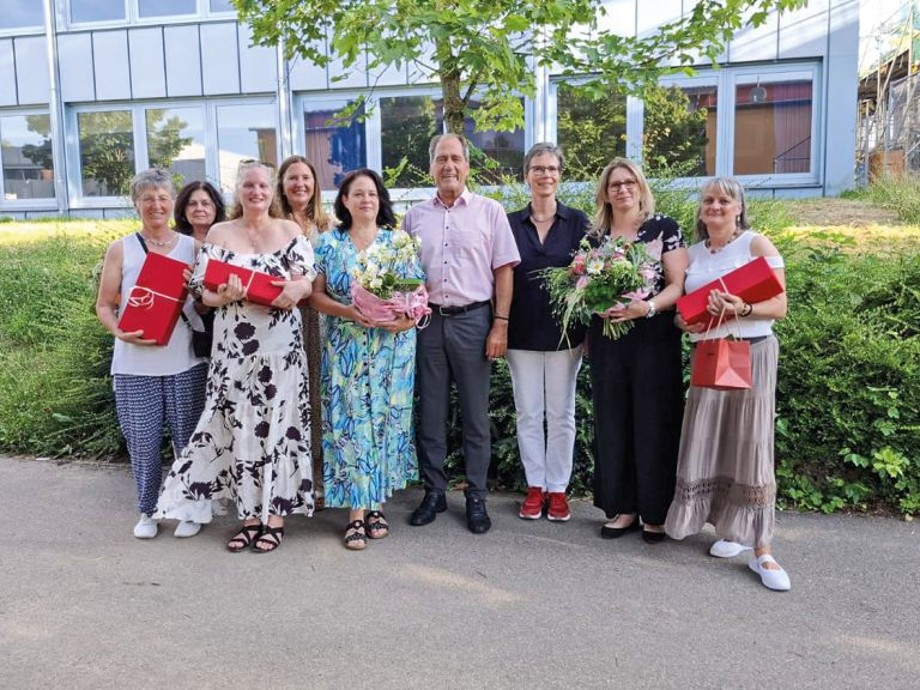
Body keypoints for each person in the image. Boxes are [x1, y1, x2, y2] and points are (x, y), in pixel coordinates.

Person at [154, 161, 316, 553]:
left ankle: (274, 518)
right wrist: (219, 296)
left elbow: (307, 280)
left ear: (271, 191)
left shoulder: (290, 230)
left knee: (279, 430)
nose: (256, 192)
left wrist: (297, 290)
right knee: (239, 429)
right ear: (238, 191)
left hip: (281, 352)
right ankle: (248, 518)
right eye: (248, 185)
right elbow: (204, 294)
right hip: (233, 353)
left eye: (262, 185)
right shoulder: (220, 232)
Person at [665, 177, 791, 591]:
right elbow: (684, 311)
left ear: (739, 206)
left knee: (751, 441)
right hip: (710, 352)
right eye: (708, 200)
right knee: (710, 438)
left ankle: (763, 549)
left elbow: (781, 305)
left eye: (723, 200)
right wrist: (685, 319)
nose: (714, 206)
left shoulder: (756, 244)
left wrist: (743, 306)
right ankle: (730, 530)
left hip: (751, 349)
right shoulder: (693, 254)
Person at [402, 133, 521, 534]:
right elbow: (402, 274)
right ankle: (434, 492)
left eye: (455, 158)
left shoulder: (490, 211)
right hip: (428, 322)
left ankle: (476, 496)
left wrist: (500, 324)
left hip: (474, 321)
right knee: (431, 413)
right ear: (432, 166)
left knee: (475, 416)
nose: (448, 165)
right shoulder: (414, 217)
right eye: (441, 158)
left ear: (468, 166)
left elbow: (504, 270)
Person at [309, 169, 421, 550]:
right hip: (345, 350)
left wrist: (405, 319)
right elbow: (315, 296)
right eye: (358, 194)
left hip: (391, 351)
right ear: (344, 201)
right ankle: (355, 513)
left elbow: (415, 292)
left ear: (380, 199)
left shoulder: (398, 242)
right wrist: (350, 312)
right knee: (350, 426)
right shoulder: (328, 243)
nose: (366, 200)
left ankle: (376, 504)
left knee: (382, 424)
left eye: (372, 194)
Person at [95, 169, 208, 540]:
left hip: (183, 360)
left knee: (187, 439)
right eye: (148, 198)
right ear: (136, 205)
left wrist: (196, 296)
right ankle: (148, 510)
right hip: (133, 363)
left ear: (171, 202)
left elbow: (205, 305)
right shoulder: (121, 248)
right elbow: (104, 306)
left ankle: (190, 508)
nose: (156, 205)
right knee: (142, 440)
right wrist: (118, 331)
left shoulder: (191, 247)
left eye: (162, 197)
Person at [589, 158, 688, 544]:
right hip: (609, 339)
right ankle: (624, 507)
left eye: (629, 182)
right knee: (613, 421)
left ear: (640, 186)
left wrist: (645, 307)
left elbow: (678, 284)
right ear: (605, 192)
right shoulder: (596, 236)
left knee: (653, 422)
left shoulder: (664, 227)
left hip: (653, 338)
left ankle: (655, 512)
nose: (622, 189)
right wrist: (593, 302)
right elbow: (583, 286)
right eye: (614, 184)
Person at [506, 143, 589, 522]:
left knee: (561, 413)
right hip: (520, 331)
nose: (545, 175)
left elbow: (592, 277)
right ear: (526, 175)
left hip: (565, 336)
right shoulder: (508, 223)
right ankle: (534, 485)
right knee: (527, 412)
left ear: (560, 175)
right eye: (537, 168)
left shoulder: (578, 222)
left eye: (552, 168)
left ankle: (558, 489)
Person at [276, 155, 333, 510]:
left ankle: (320, 475)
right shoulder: (273, 225)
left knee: (319, 397)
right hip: (284, 321)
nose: (300, 184)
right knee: (290, 399)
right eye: (293, 178)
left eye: (306, 178)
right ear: (282, 185)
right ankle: (290, 478)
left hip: (322, 322)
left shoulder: (328, 226)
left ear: (315, 185)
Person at [174, 180, 227, 358]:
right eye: (192, 203)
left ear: (216, 208)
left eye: (205, 203)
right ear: (183, 209)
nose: (199, 208)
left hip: (224, 325)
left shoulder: (230, 240)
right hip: (180, 330)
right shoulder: (173, 243)